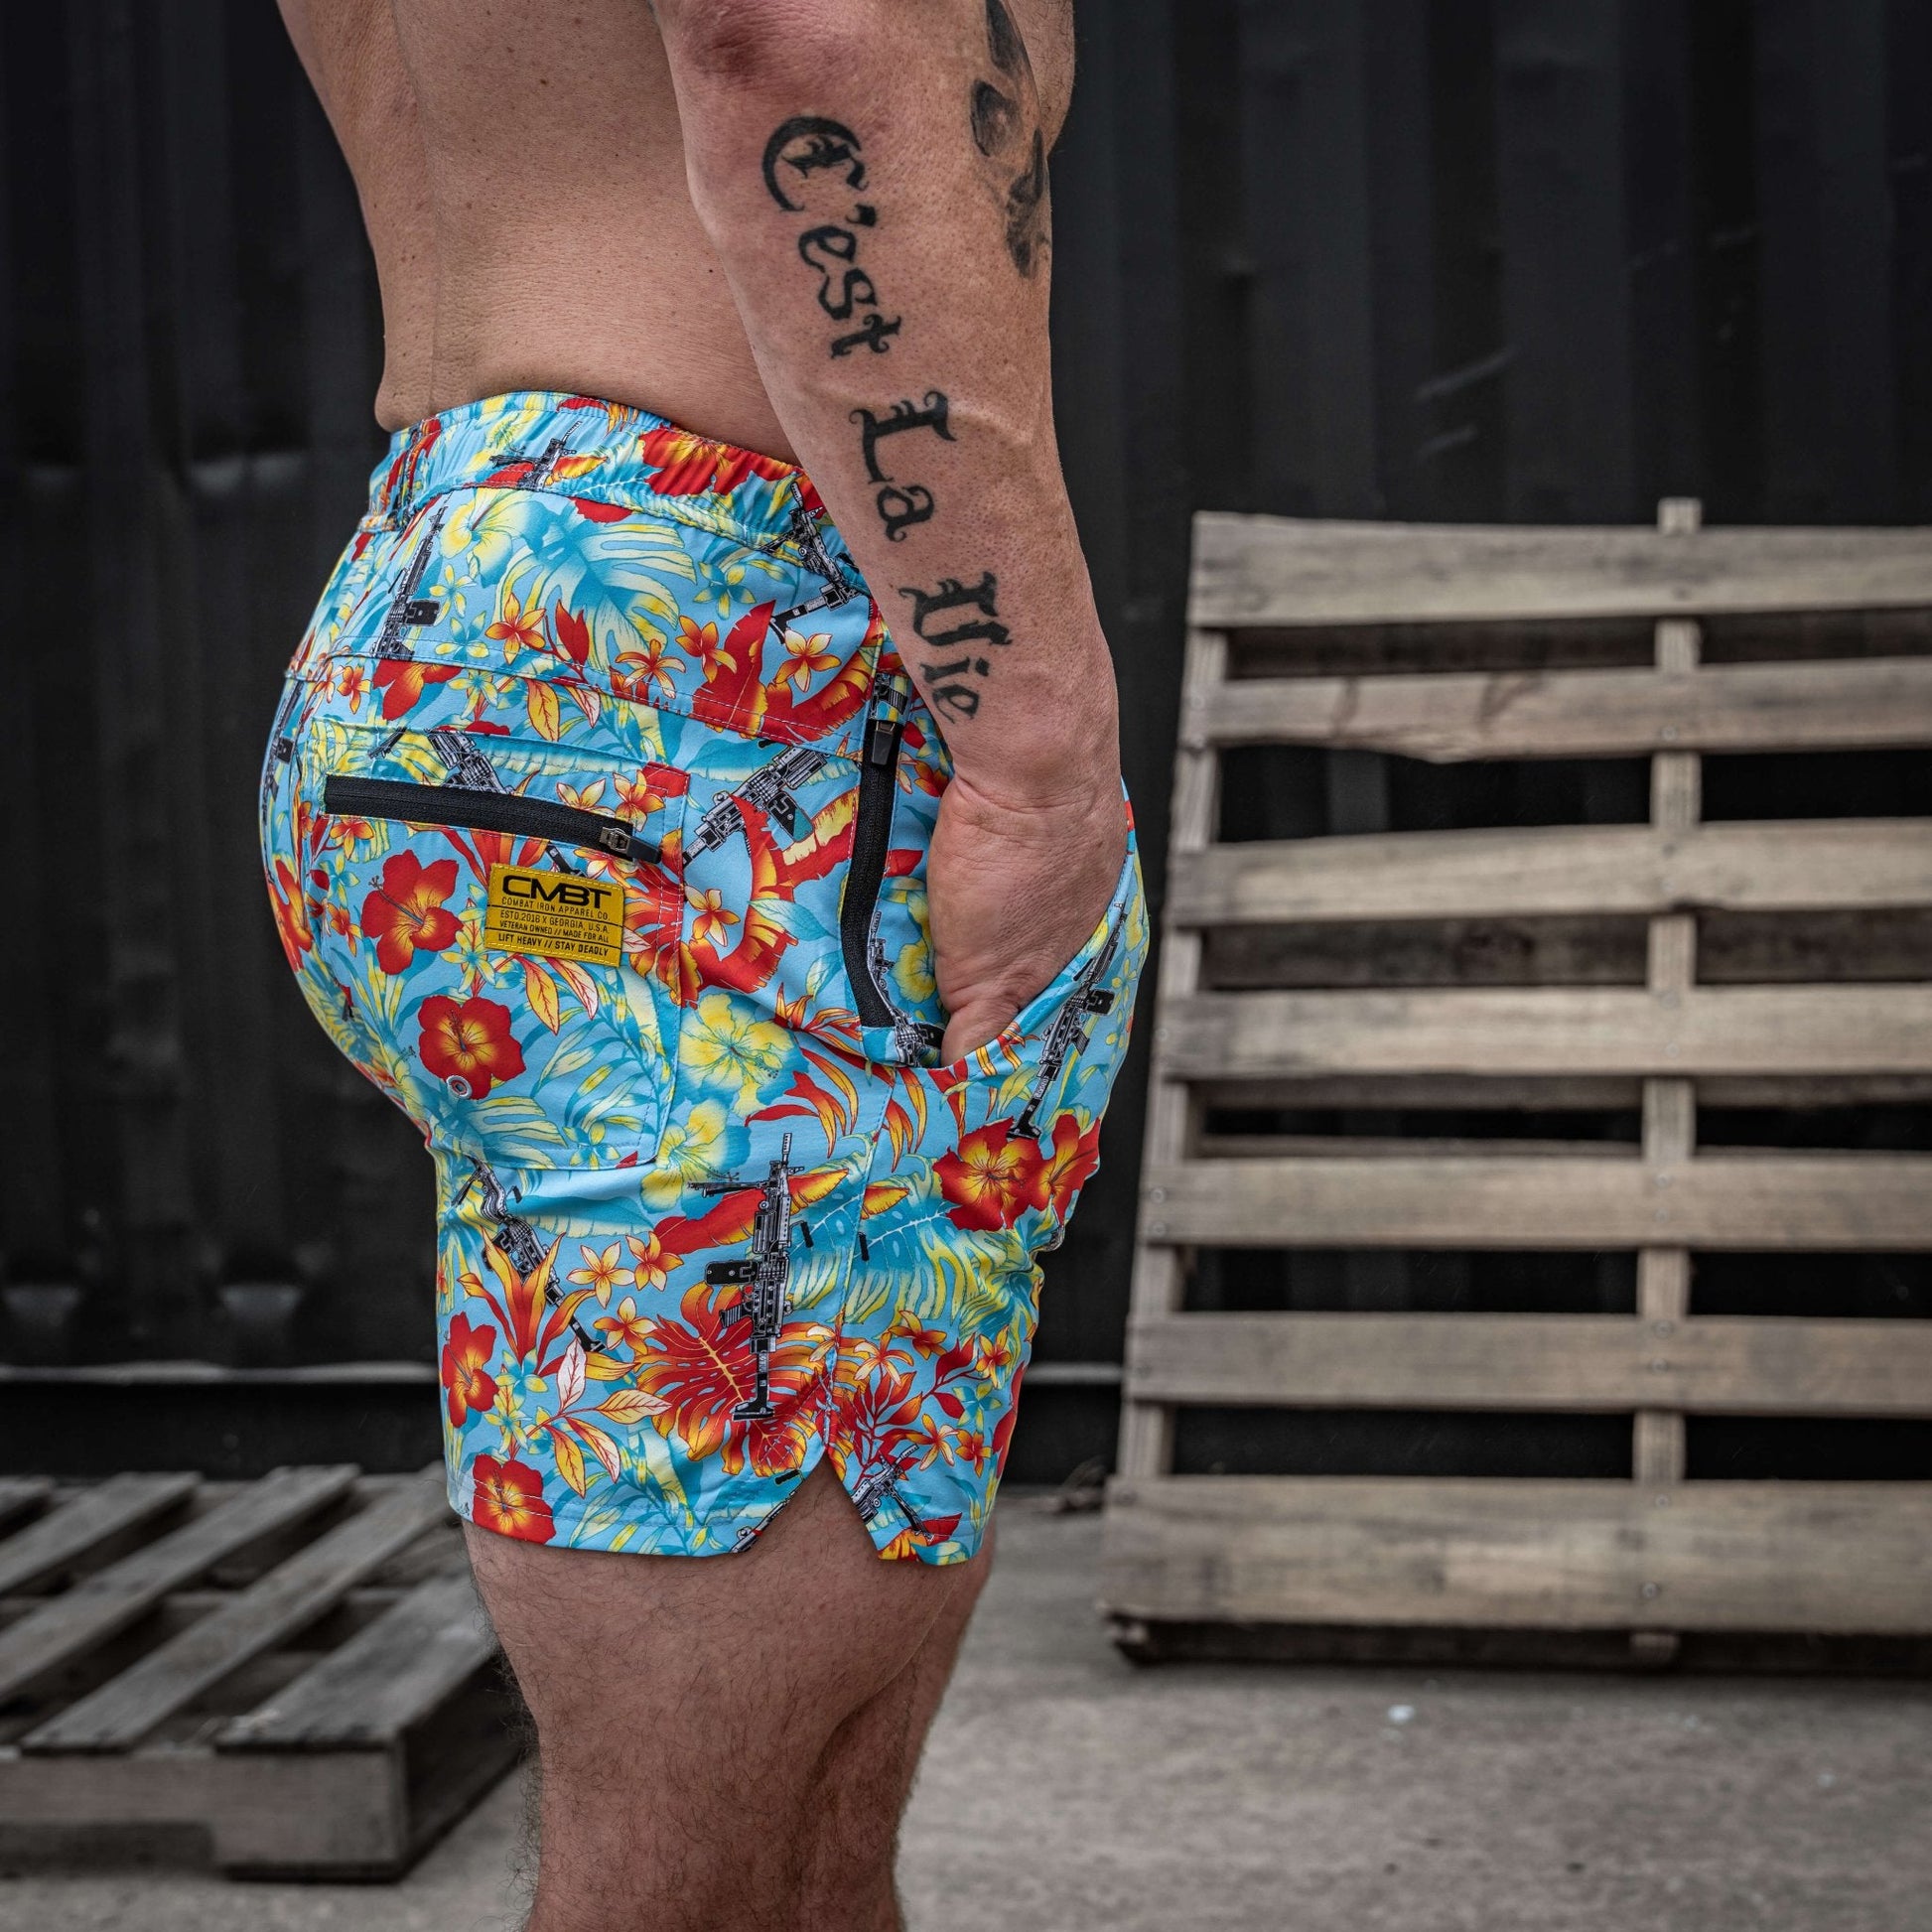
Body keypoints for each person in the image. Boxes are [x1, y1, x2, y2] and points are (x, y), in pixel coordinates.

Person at [261, 3, 1145, 1926]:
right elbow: (800, 28)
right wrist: (1032, 742)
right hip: (712, 683)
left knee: (795, 1814)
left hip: (481, 623)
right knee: (699, 1856)